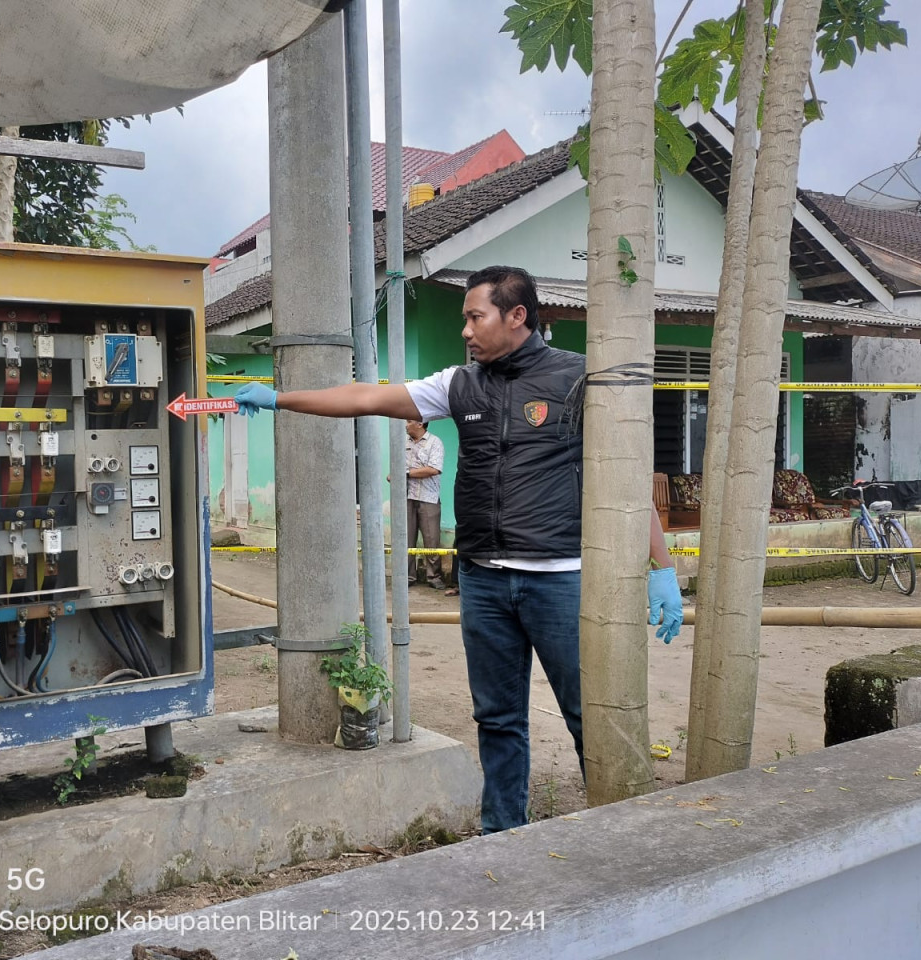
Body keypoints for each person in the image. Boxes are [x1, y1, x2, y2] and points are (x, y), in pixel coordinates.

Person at [233, 264, 682, 833]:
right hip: (484, 579)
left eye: (475, 317)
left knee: (588, 716)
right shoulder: (459, 385)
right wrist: (283, 399)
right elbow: (367, 397)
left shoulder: (578, 380)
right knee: (496, 718)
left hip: (561, 579)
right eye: (464, 319)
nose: (466, 331)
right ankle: (501, 835)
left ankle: (616, 834)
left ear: (517, 316)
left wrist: (660, 566)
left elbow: (629, 476)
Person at [404, 419, 445, 590]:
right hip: (405, 497)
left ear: (420, 424)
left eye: (409, 421)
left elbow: (433, 469)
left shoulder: (435, 442)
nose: (405, 425)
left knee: (431, 539)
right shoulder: (402, 443)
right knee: (405, 539)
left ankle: (434, 577)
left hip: (428, 497)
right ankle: (406, 576)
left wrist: (405, 473)